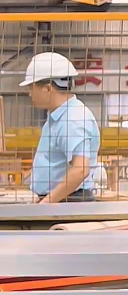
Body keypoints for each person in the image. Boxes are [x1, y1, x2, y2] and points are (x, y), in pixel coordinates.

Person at [22, 52, 99, 204]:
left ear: (48, 88)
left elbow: (80, 169)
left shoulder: (73, 119)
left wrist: (47, 202)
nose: (30, 94)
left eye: (31, 87)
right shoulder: (58, 117)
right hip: (60, 201)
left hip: (68, 203)